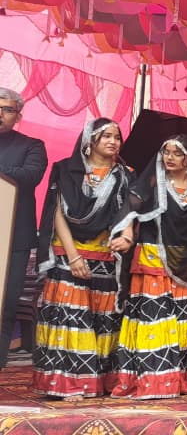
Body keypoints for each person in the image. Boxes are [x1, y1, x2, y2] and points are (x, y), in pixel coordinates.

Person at [32, 119, 132, 400]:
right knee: (70, 319)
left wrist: (127, 236)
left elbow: (129, 213)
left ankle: (94, 382)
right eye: (106, 136)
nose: (113, 142)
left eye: (117, 137)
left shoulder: (125, 175)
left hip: (105, 256)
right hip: (68, 253)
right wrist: (73, 256)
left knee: (101, 320)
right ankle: (66, 384)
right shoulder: (66, 169)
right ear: (90, 140)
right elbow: (56, 213)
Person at [111, 134, 187, 399]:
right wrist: (126, 236)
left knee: (182, 321)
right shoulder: (151, 183)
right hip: (153, 257)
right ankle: (152, 381)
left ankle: (179, 380)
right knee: (154, 321)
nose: (170, 157)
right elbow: (131, 211)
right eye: (166, 152)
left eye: (177, 153)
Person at [0, 87, 47, 369]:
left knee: (5, 304)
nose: (0, 114)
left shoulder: (32, 146)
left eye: (7, 110)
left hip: (14, 238)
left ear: (18, 116)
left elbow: (30, 176)